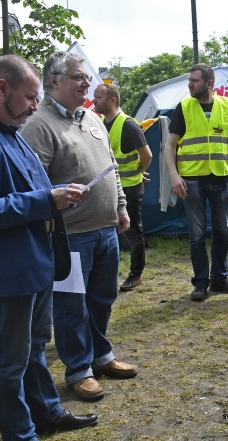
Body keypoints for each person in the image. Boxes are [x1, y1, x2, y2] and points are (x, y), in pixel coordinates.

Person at [0, 55, 97, 441]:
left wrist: (58, 191)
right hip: (9, 270)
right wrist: (47, 200)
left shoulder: (11, 127)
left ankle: (47, 411)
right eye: (29, 98)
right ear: (1, 88)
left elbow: (31, 184)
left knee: (36, 346)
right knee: (10, 360)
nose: (32, 107)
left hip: (36, 262)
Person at [22, 51, 138, 401]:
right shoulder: (38, 124)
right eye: (78, 77)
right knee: (72, 306)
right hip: (69, 235)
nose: (86, 82)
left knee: (103, 298)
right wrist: (55, 196)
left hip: (106, 229)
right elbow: (32, 183)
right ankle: (78, 369)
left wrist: (120, 205)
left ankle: (101, 356)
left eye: (87, 76)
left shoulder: (92, 117)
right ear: (54, 82)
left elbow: (111, 166)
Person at [163, 63, 228, 301]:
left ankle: (220, 279)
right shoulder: (184, 107)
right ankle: (200, 282)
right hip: (192, 181)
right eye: (189, 80)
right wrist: (174, 175)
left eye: (194, 81)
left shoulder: (225, 105)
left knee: (222, 232)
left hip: (221, 179)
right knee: (196, 235)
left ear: (209, 83)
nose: (190, 84)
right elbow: (169, 145)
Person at [92, 83, 153, 292]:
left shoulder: (128, 125)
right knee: (111, 232)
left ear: (112, 100)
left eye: (98, 97)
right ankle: (110, 271)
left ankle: (136, 274)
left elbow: (147, 155)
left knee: (134, 232)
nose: (93, 101)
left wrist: (138, 172)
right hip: (108, 188)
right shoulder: (99, 123)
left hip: (129, 189)